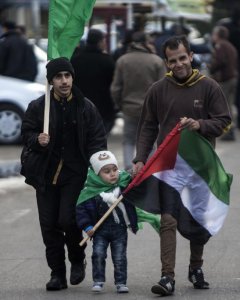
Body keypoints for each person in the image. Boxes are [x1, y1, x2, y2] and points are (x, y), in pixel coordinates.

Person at [132, 35, 232, 296]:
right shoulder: (157, 90)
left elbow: (225, 122)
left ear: (191, 56)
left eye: (182, 58)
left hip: (202, 167)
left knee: (199, 220)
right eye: (172, 60)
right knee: (168, 220)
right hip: (169, 166)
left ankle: (196, 267)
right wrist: (140, 159)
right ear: (166, 62)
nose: (178, 64)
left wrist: (200, 125)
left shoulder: (209, 86)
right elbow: (147, 127)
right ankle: (167, 277)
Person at [20, 57, 107, 291]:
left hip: (74, 174)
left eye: (67, 76)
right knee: (49, 225)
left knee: (68, 219)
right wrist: (37, 139)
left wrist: (101, 167)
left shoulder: (85, 107)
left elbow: (97, 140)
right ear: (50, 81)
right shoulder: (39, 107)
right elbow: (26, 132)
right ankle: (57, 273)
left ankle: (77, 259)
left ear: (72, 77)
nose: (64, 81)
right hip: (45, 175)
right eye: (58, 77)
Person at [76, 150, 138, 293]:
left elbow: (136, 182)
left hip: (119, 230)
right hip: (99, 231)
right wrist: (87, 226)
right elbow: (81, 211)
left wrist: (136, 174)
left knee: (120, 257)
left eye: (115, 169)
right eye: (106, 171)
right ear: (97, 174)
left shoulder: (123, 186)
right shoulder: (90, 191)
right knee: (98, 254)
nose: (113, 174)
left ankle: (121, 282)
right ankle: (98, 281)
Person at [111, 31, 165, 170]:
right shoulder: (156, 61)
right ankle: (150, 171)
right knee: (151, 141)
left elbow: (116, 87)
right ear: (146, 43)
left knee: (128, 140)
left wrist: (120, 104)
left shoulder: (123, 60)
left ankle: (129, 170)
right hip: (151, 110)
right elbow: (163, 88)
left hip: (129, 108)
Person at [71, 28, 117, 135]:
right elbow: (114, 83)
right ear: (100, 42)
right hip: (103, 108)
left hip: (80, 106)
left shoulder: (75, 59)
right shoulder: (107, 60)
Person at [208, 25, 238, 140]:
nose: (212, 36)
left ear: (218, 35)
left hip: (225, 80)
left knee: (224, 107)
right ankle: (231, 129)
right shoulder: (230, 46)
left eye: (214, 34)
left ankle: (228, 131)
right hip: (232, 78)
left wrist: (211, 68)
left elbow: (220, 61)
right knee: (230, 105)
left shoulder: (220, 46)